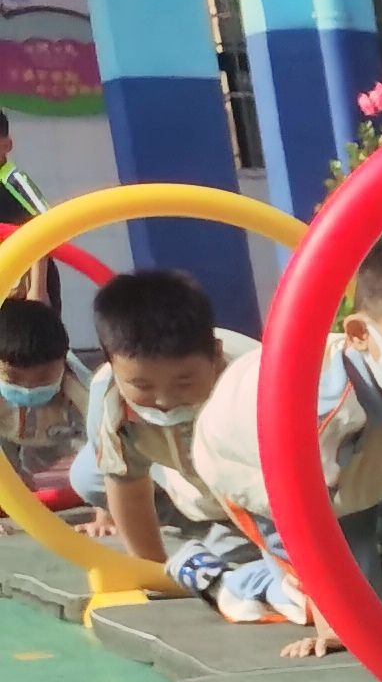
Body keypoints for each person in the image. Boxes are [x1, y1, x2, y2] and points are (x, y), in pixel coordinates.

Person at [180, 242, 382, 654]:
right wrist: (329, 625)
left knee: (365, 593)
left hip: (350, 477)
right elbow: (304, 515)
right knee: (334, 608)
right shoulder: (323, 409)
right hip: (257, 474)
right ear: (359, 335)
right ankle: (215, 577)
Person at [73, 270, 250, 581]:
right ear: (111, 366)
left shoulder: (249, 380)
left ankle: (230, 534)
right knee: (90, 476)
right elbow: (125, 485)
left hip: (253, 489)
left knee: (245, 570)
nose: (165, 400)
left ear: (216, 356)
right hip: (186, 477)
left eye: (184, 382)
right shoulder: (110, 395)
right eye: (142, 385)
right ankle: (200, 524)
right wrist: (153, 573)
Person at [0, 296, 87, 488]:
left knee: (91, 472)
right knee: (12, 478)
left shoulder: (82, 391)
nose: (28, 388)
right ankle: (15, 479)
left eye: (43, 378)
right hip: (6, 431)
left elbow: (106, 448)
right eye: (13, 378)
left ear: (64, 362)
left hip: (58, 437)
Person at [0, 107, 55, 309]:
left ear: (7, 144)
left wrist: (38, 290)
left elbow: (47, 225)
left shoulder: (13, 181)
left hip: (27, 289)